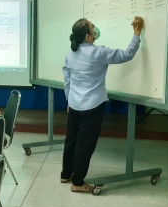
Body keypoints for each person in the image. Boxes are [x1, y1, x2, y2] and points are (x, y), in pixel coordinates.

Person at [61, 16, 144, 193]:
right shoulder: (99, 52)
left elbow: (67, 80)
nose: (96, 29)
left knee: (71, 141)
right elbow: (127, 54)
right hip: (92, 106)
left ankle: (66, 173)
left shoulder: (71, 54)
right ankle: (78, 183)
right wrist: (136, 33)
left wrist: (69, 99)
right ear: (88, 37)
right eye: (93, 27)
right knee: (85, 145)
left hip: (75, 104)